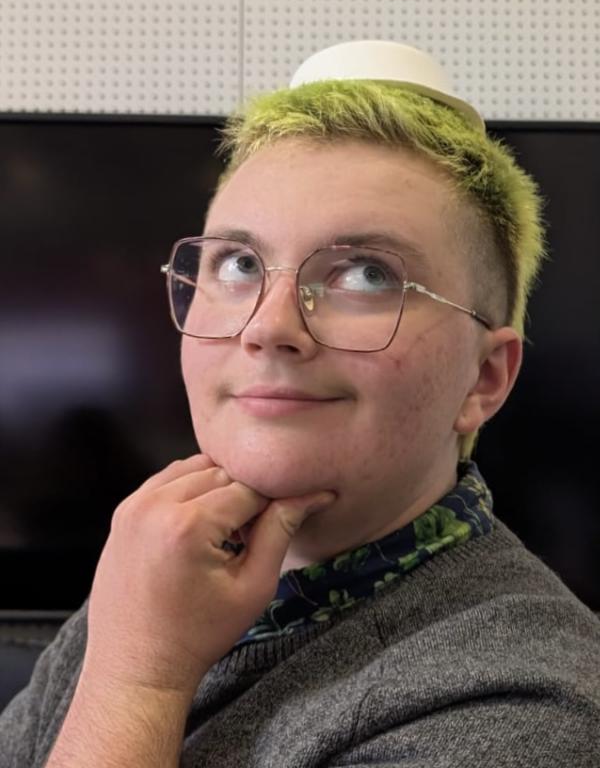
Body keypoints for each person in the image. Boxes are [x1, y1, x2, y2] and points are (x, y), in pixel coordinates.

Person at [1, 41, 599, 767]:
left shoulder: (526, 712)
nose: (268, 327)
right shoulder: (149, 587)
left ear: (484, 379)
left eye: (367, 273)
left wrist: (137, 683)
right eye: (240, 264)